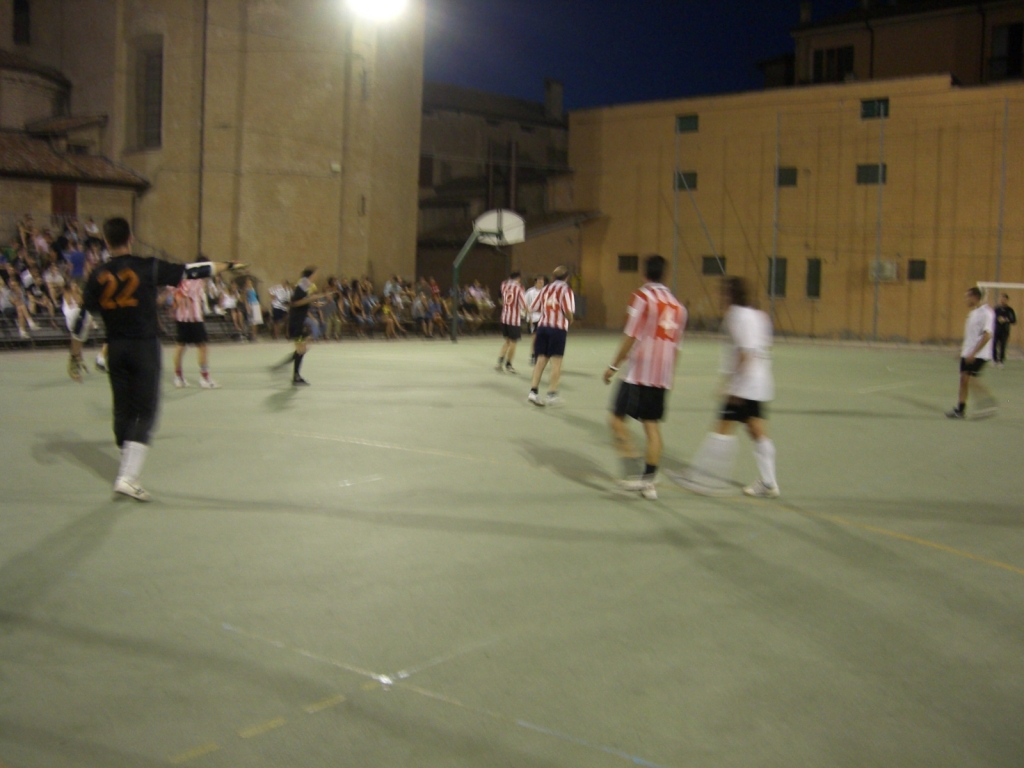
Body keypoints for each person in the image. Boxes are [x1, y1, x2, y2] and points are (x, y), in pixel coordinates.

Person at [68, 217, 242, 500]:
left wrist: (75, 356)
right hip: (144, 347)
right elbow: (192, 270)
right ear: (131, 238)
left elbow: (82, 319)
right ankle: (128, 477)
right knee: (145, 411)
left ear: (107, 242)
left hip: (116, 349)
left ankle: (126, 460)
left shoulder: (98, 274)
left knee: (122, 409)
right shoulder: (147, 266)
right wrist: (229, 265)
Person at [673, 276, 780, 498]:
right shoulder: (758, 315)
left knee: (722, 428)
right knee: (756, 430)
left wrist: (731, 385)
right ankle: (769, 482)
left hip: (744, 385)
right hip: (759, 383)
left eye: (723, 293)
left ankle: (702, 479)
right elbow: (763, 348)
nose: (720, 298)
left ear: (730, 295)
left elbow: (745, 352)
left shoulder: (736, 316)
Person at [603, 255, 686, 500]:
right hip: (661, 375)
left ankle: (632, 469)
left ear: (644, 273)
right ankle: (648, 483)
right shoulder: (679, 307)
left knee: (616, 420)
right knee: (652, 427)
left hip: (638, 373)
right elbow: (677, 347)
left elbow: (631, 335)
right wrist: (670, 376)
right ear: (665, 274)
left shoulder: (642, 297)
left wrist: (613, 365)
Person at [527, 266, 575, 406]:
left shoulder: (546, 289)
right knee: (556, 362)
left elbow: (534, 307)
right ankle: (551, 394)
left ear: (553, 277)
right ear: (567, 278)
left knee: (540, 360)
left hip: (542, 327)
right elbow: (567, 310)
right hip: (557, 329)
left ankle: (533, 392)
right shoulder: (566, 290)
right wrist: (570, 319)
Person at [946, 286, 997, 419]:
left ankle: (989, 402)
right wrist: (962, 351)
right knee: (964, 380)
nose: (966, 300)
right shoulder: (973, 313)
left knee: (972, 379)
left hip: (980, 354)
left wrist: (973, 353)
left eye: (967, 297)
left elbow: (987, 335)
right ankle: (960, 410)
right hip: (968, 353)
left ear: (975, 297)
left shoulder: (987, 313)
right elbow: (971, 336)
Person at [172, 273, 219, 389]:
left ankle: (179, 377)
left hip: (186, 318)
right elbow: (183, 295)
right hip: (192, 319)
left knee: (182, 347)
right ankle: (204, 378)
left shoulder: (184, 280)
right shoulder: (194, 281)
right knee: (200, 347)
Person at [277, 267, 322, 386]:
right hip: (296, 322)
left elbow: (303, 301)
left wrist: (314, 302)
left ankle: (292, 370)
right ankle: (295, 376)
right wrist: (311, 299)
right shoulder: (301, 286)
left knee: (303, 347)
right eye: (315, 274)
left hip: (299, 322)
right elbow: (295, 303)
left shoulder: (305, 286)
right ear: (310, 276)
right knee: (301, 349)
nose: (317, 276)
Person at [496, 270, 528, 373]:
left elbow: (500, 297)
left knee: (507, 341)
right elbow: (523, 303)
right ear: (518, 278)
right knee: (513, 342)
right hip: (513, 319)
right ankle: (508, 365)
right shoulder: (519, 288)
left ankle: (499, 363)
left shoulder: (504, 285)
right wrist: (528, 312)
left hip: (504, 317)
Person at [524, 276, 544, 365]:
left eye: (542, 282)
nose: (541, 283)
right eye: (539, 282)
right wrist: (529, 317)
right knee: (535, 338)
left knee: (543, 338)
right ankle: (533, 355)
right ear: (535, 282)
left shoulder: (545, 292)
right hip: (534, 318)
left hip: (543, 318)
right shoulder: (530, 292)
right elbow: (525, 304)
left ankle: (541, 355)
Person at [993, 293, 1016, 367]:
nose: (1003, 300)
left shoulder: (1010, 310)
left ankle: (1001, 361)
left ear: (1007, 300)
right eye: (1001, 298)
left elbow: (1013, 320)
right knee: (994, 344)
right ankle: (994, 360)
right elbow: (992, 318)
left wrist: (1006, 320)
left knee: (1002, 346)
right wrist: (998, 319)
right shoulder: (996, 309)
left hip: (1005, 331)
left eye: (1004, 299)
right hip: (996, 330)